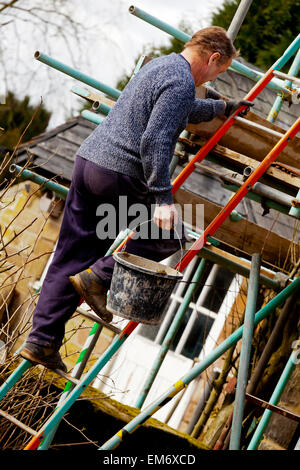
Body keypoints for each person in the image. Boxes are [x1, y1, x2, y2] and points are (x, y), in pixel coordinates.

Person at [20, 26, 253, 371]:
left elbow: (183, 109)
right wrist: (162, 198)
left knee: (71, 255)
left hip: (89, 165)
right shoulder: (181, 82)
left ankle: (41, 342)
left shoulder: (159, 67)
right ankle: (99, 277)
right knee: (167, 234)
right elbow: (156, 140)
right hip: (120, 174)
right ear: (214, 57)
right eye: (220, 70)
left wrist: (222, 106)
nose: (216, 75)